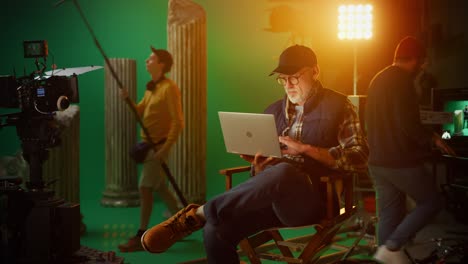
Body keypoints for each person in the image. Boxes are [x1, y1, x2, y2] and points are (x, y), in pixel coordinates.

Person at [139, 45, 369, 263]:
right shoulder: (272, 111)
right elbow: (265, 176)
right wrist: (258, 168)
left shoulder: (339, 106)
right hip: (271, 200)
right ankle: (204, 217)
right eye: (283, 79)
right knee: (215, 229)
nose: (288, 84)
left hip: (313, 201)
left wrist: (305, 149)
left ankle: (197, 214)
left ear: (315, 71)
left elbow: (360, 157)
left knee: (285, 172)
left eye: (295, 77)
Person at [365, 36, 456, 264]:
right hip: (399, 162)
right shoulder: (402, 81)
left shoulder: (378, 78)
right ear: (416, 60)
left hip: (377, 161)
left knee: (390, 213)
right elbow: (407, 123)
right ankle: (394, 246)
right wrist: (432, 139)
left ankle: (385, 257)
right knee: (432, 202)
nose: (422, 68)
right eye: (422, 63)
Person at [118, 47, 184, 252]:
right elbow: (140, 110)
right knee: (161, 188)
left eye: (151, 58)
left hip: (158, 147)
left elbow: (178, 121)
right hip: (148, 146)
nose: (147, 60)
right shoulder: (151, 87)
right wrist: (128, 99)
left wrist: (165, 148)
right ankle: (183, 226)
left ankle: (141, 235)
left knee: (145, 188)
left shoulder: (169, 88)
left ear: (161, 64)